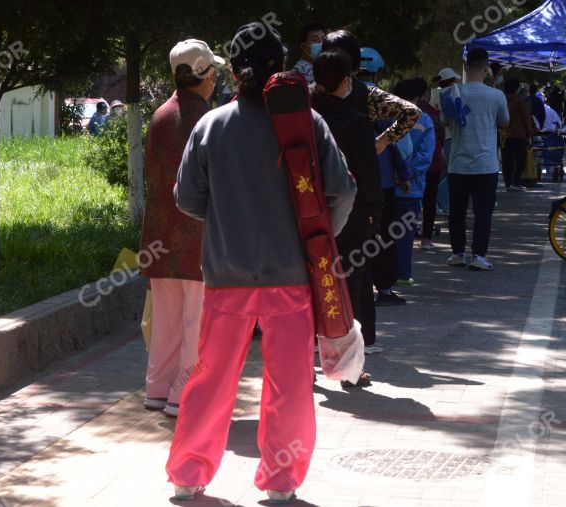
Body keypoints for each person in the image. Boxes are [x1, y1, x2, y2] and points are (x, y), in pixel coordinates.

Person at [166, 22, 356, 504]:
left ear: (232, 71)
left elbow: (187, 197)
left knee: (210, 377)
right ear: (284, 68)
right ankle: (280, 482)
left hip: (226, 277)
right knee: (289, 382)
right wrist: (315, 235)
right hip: (290, 278)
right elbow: (344, 190)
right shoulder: (306, 124)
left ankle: (189, 475)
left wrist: (228, 217)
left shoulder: (210, 125)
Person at [140, 39, 223, 418]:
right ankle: (183, 395)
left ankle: (157, 389)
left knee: (166, 323)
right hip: (198, 240)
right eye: (214, 70)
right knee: (196, 323)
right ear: (204, 75)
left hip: (159, 238)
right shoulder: (208, 120)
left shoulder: (160, 115)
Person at [322, 32, 421, 309]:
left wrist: (381, 141)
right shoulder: (319, 94)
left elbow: (411, 112)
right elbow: (411, 112)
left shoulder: (357, 94)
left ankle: (352, 335)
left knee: (347, 265)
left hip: (341, 190)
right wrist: (381, 142)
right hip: (350, 190)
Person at [311, 49, 383, 360]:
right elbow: (368, 173)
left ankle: (311, 348)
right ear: (345, 81)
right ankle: (349, 362)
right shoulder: (356, 122)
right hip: (353, 216)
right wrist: (376, 214)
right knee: (351, 285)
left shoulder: (304, 118)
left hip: (311, 214)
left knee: (314, 283)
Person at [445, 48, 509, 272]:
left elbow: (446, 121)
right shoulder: (496, 95)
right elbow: (504, 121)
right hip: (486, 163)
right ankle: (479, 255)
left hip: (458, 162)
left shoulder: (452, 93)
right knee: (483, 212)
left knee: (457, 211)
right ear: (487, 67)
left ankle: (457, 253)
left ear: (464, 66)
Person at [391, 78, 435, 285]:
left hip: (387, 187)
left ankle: (382, 276)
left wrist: (394, 176)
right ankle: (402, 274)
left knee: (382, 235)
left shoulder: (386, 117)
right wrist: (406, 176)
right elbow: (426, 157)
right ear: (418, 98)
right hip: (412, 189)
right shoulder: (424, 120)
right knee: (405, 235)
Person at [413, 77, 445, 250]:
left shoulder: (403, 112)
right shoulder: (434, 113)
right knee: (430, 200)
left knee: (411, 198)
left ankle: (409, 231)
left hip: (410, 163)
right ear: (425, 93)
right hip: (433, 162)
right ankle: (426, 237)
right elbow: (441, 137)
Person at [435, 68, 462, 217]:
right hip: (451, 137)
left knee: (442, 173)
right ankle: (441, 202)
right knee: (451, 172)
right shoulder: (454, 91)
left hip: (439, 138)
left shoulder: (435, 94)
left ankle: (437, 202)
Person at [502, 78, 533, 191]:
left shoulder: (503, 100)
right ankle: (516, 181)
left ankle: (507, 182)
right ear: (516, 88)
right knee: (520, 159)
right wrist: (529, 131)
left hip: (506, 135)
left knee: (507, 160)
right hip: (519, 134)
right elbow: (526, 118)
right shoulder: (519, 101)